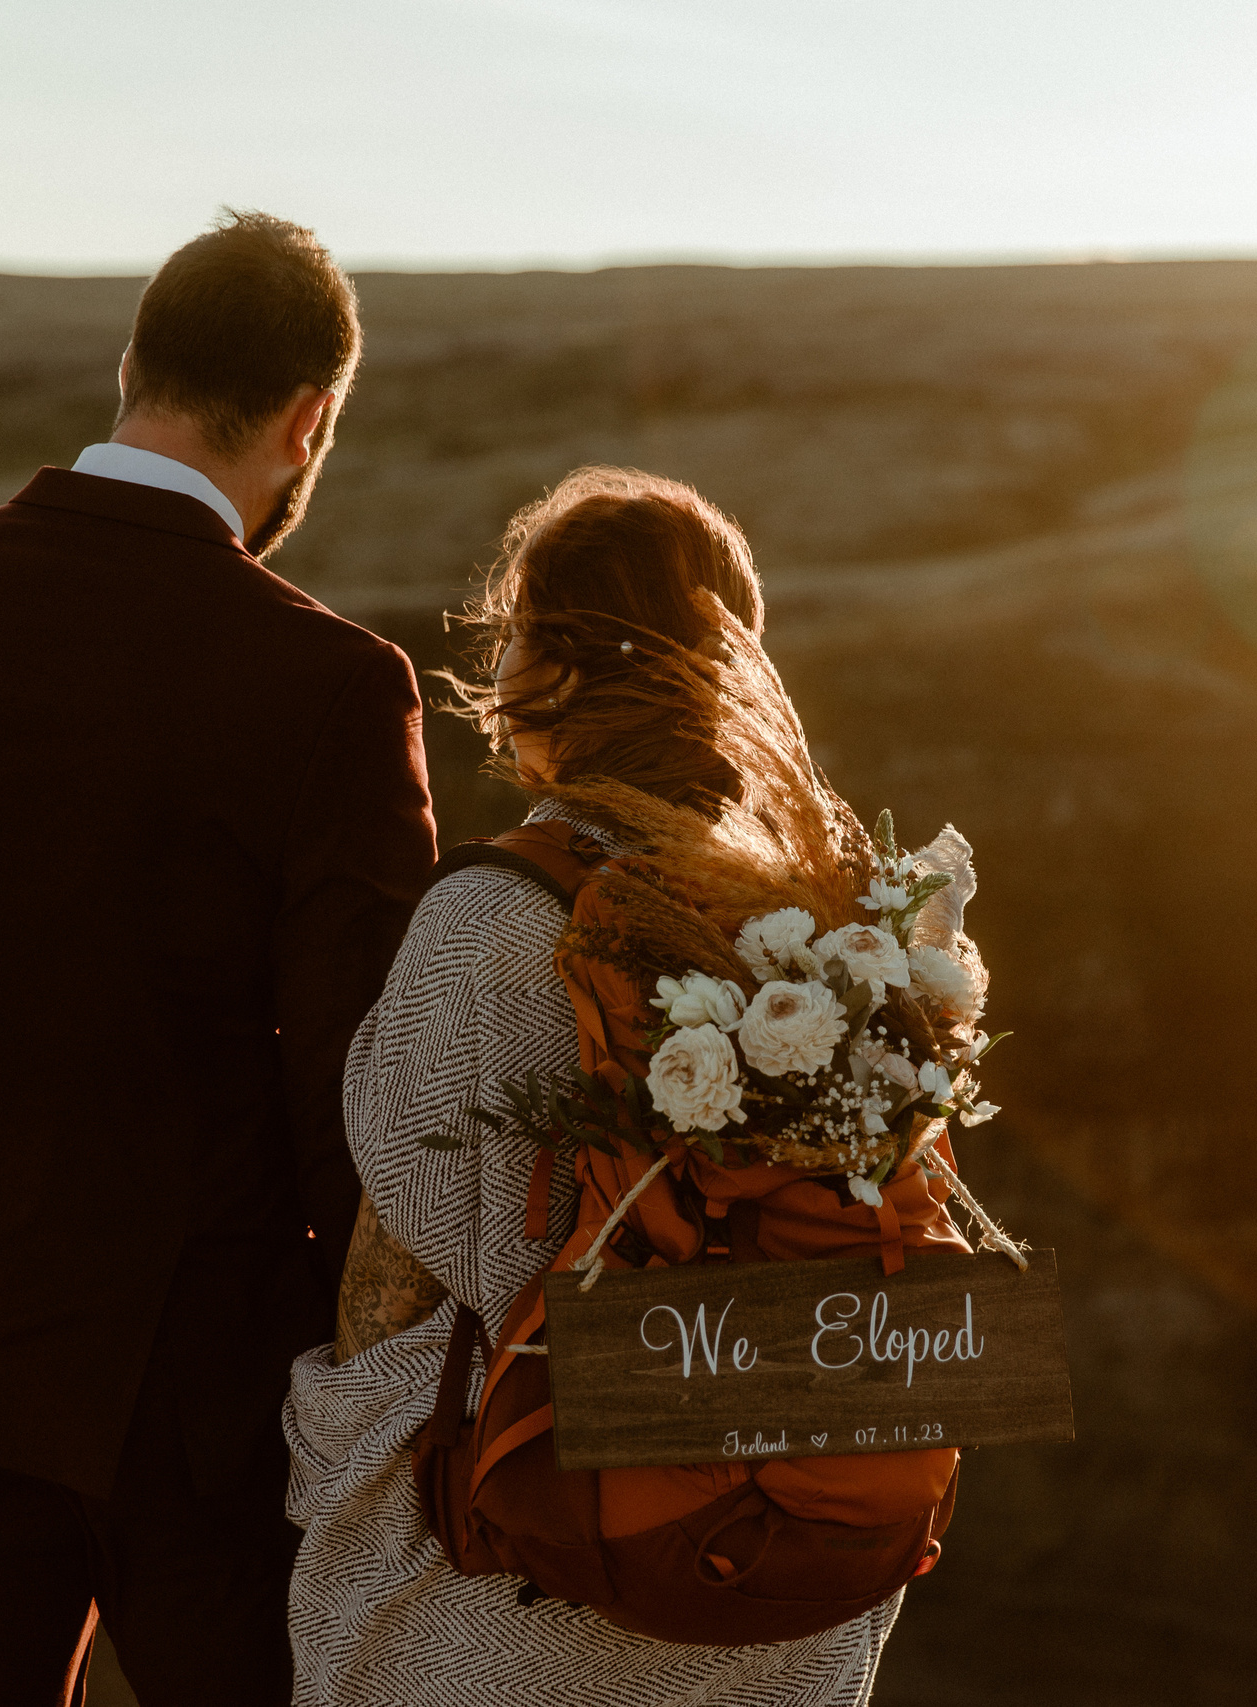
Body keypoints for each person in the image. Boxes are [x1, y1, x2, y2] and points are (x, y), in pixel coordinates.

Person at [0, 210, 435, 1705]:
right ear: (311, 419)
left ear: (132, 367)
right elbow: (356, 1090)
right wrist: (396, 1385)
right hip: (202, 1406)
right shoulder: (329, 686)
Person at [283, 466, 901, 1705]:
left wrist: (319, 1474)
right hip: (784, 1580)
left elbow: (401, 1284)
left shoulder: (492, 921)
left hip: (519, 1586)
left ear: (551, 670)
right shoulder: (841, 933)